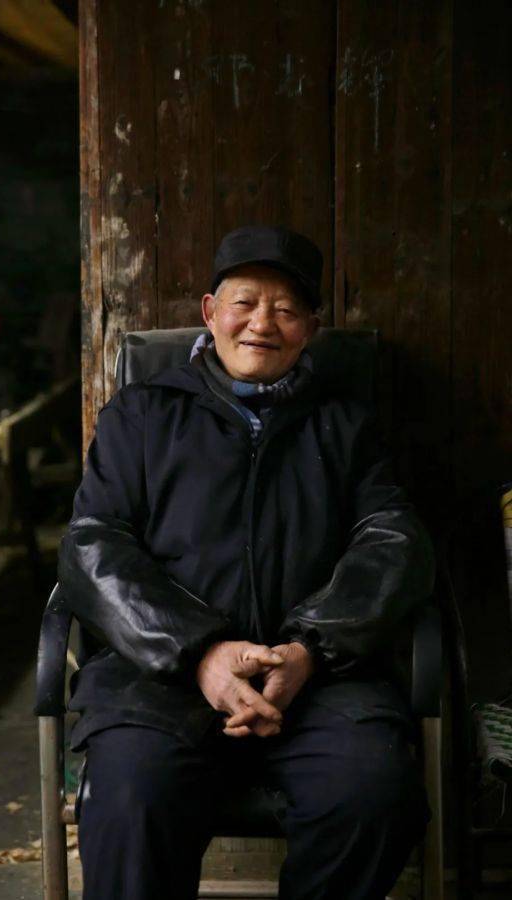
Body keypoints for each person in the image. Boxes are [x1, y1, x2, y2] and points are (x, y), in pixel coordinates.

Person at [58, 225, 434, 900]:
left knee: (375, 795)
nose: (262, 324)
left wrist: (309, 649)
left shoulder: (344, 424)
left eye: (286, 309)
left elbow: (393, 541)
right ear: (210, 312)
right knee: (129, 801)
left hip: (319, 680)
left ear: (310, 329)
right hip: (161, 678)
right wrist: (198, 652)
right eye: (245, 303)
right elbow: (93, 545)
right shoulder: (142, 414)